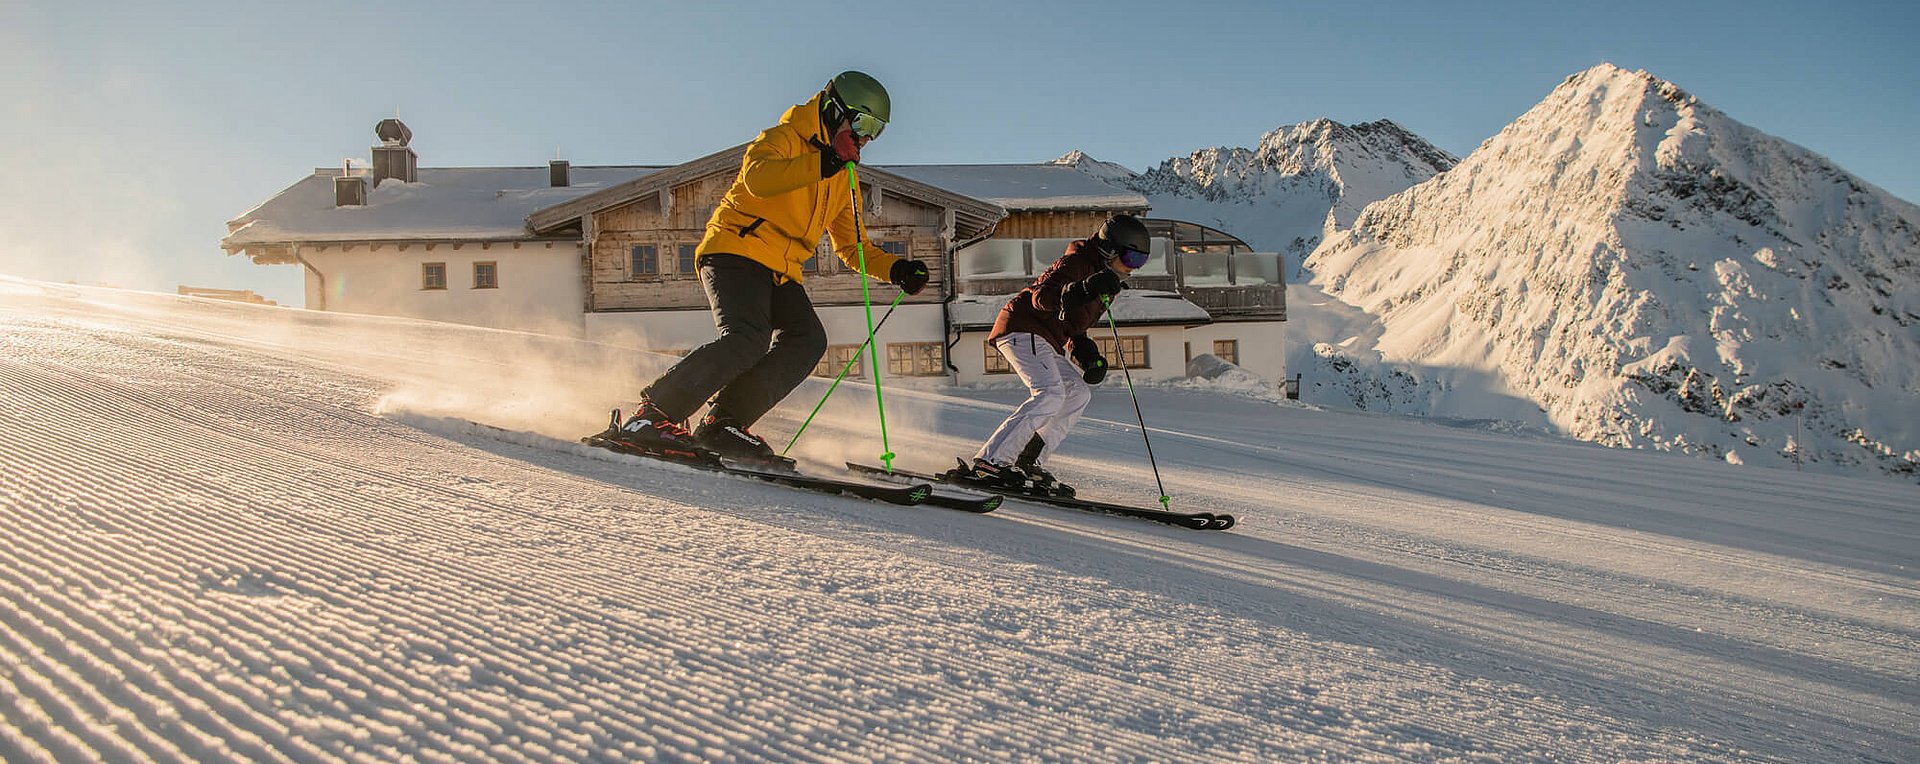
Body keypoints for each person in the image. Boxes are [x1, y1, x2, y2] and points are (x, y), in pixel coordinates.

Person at [602, 71, 930, 462]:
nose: (865, 137)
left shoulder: (844, 178)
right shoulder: (781, 139)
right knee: (746, 339)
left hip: (780, 270)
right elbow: (758, 179)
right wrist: (819, 164)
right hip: (734, 249)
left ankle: (724, 422)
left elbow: (853, 247)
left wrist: (897, 269)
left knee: (808, 340)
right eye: (861, 122)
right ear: (833, 110)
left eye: (876, 130)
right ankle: (651, 416)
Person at [960, 214, 1151, 494]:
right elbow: (1042, 297)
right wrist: (1084, 288)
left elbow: (1074, 325)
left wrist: (1086, 354)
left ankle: (1028, 458)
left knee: (1078, 393)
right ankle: (990, 462)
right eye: (1132, 258)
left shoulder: (1108, 282)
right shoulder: (1076, 262)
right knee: (1050, 393)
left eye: (1141, 262)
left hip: (1046, 338)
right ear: (1110, 250)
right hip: (1022, 327)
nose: (1134, 268)